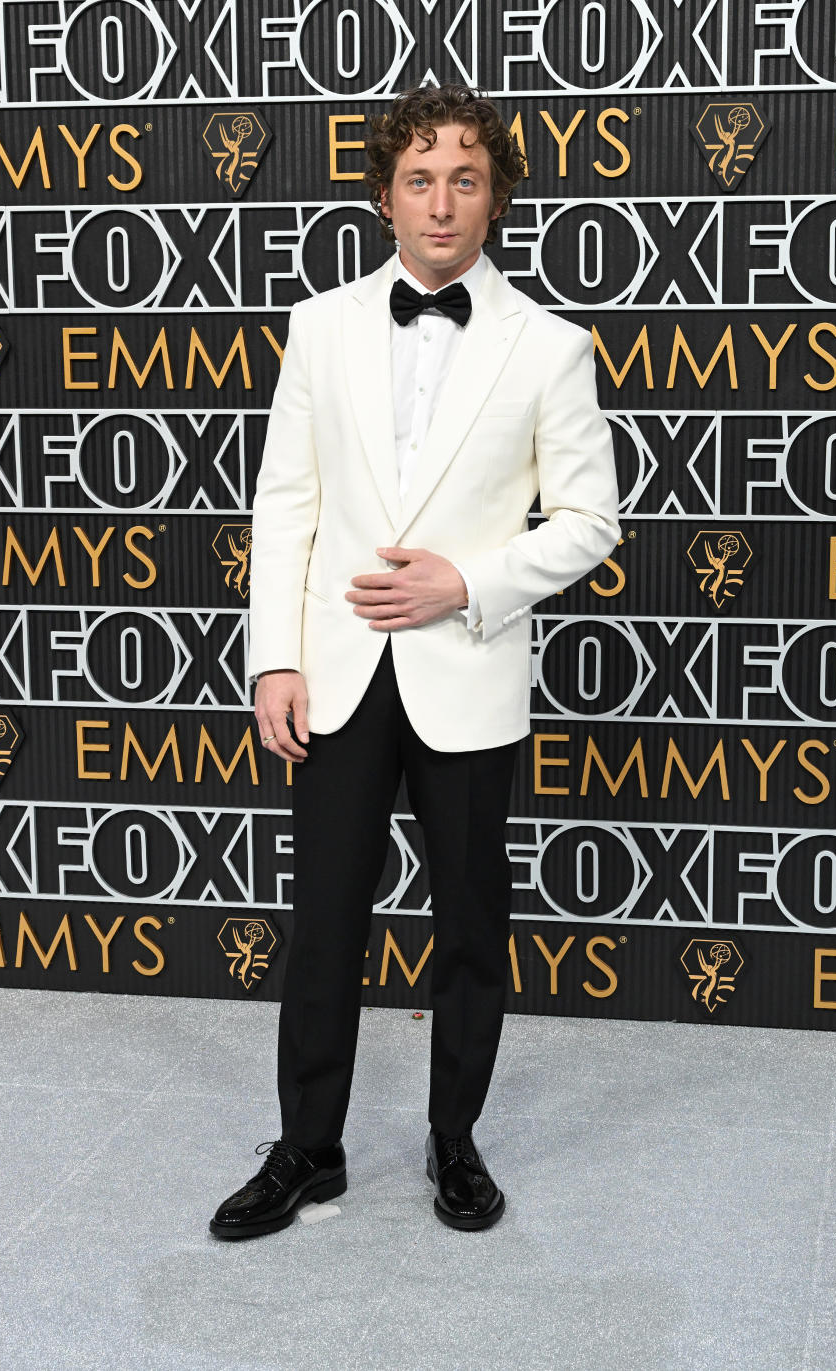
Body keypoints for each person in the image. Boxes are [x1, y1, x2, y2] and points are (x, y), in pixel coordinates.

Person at [210, 83, 620, 1239]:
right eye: (420, 178)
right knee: (325, 920)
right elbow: (285, 504)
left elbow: (590, 521)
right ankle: (308, 1149)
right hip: (335, 676)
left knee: (471, 931)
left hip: (468, 673)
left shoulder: (549, 347)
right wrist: (273, 661)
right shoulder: (323, 323)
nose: (443, 202)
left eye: (468, 178)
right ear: (386, 195)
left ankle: (455, 1143)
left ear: (497, 196)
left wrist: (468, 583)